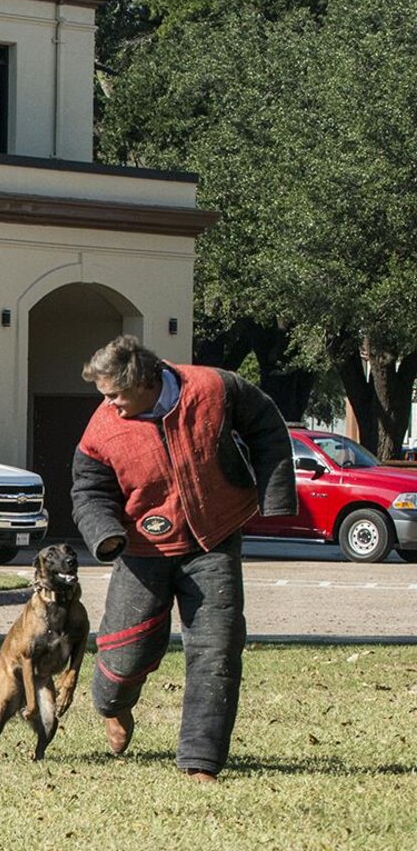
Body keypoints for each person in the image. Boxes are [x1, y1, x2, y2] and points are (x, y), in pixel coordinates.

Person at [70, 335, 295, 783]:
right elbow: (88, 490)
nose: (109, 405)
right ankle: (113, 707)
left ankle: (201, 762)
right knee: (124, 655)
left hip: (215, 537)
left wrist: (274, 494)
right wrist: (106, 534)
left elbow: (266, 424)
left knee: (218, 650)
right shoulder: (101, 428)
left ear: (145, 382)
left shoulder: (215, 388)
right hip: (139, 550)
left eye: (115, 395)